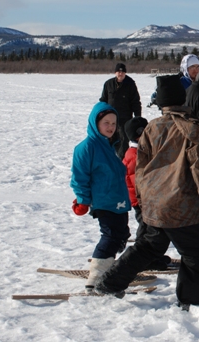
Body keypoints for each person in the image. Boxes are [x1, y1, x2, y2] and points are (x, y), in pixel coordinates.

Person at [94, 75, 199, 310]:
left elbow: (141, 169)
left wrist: (144, 200)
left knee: (149, 246)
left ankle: (110, 282)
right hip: (180, 207)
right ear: (183, 99)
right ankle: (194, 298)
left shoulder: (152, 127)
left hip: (155, 203)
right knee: (195, 255)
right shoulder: (193, 131)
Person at [70, 101, 131, 293]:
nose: (111, 127)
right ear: (95, 123)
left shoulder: (109, 145)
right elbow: (79, 178)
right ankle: (96, 278)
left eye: (114, 123)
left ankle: (107, 268)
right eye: (106, 123)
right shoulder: (86, 147)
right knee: (111, 236)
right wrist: (83, 200)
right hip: (104, 202)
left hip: (119, 200)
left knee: (121, 235)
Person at [123, 116, 172, 271]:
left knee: (153, 230)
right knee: (145, 231)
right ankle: (140, 259)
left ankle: (152, 256)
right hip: (141, 201)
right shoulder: (135, 155)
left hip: (148, 199)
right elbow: (138, 182)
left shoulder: (144, 150)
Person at [99, 63, 142, 158]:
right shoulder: (108, 84)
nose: (120, 74)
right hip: (110, 118)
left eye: (122, 72)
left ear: (125, 73)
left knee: (123, 141)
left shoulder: (130, 84)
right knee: (110, 139)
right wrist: (101, 114)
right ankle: (110, 158)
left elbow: (135, 102)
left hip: (125, 118)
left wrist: (138, 118)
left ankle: (121, 161)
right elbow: (103, 101)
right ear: (115, 72)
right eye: (118, 71)